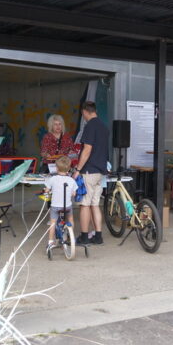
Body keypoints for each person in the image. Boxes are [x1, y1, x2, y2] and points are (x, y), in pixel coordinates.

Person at [72, 101, 108, 245]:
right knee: (95, 204)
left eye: (83, 115)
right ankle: (98, 236)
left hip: (89, 170)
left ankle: (84, 236)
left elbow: (87, 150)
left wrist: (78, 169)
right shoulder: (104, 126)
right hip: (100, 171)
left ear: (85, 112)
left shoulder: (90, 126)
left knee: (84, 204)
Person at [44, 156, 78, 252]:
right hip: (67, 206)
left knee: (53, 223)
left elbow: (47, 190)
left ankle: (50, 242)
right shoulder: (71, 180)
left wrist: (46, 191)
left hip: (55, 206)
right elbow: (74, 193)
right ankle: (70, 235)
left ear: (56, 168)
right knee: (70, 219)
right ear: (69, 169)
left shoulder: (53, 179)